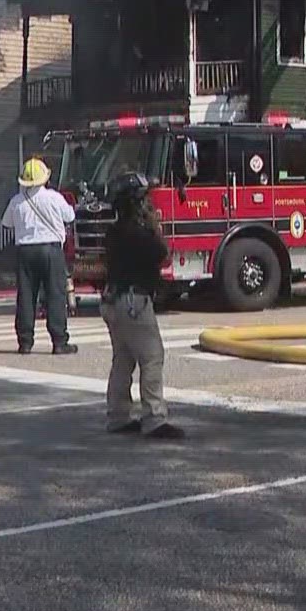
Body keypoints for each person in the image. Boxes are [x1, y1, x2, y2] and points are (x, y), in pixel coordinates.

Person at [100, 172, 183, 439]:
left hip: (113, 300)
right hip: (133, 302)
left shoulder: (114, 232)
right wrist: (154, 225)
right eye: (145, 198)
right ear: (136, 203)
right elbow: (162, 255)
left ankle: (118, 416)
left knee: (123, 358)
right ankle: (154, 418)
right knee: (151, 357)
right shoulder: (140, 232)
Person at [1, 158, 76, 354]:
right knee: (55, 294)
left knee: (26, 296)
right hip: (51, 249)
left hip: (25, 250)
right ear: (45, 178)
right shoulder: (54, 197)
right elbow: (70, 216)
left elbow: (6, 223)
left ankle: (25, 341)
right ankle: (59, 341)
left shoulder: (16, 201)